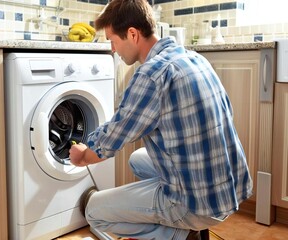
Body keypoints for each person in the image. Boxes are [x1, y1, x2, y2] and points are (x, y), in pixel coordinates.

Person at [69, 0, 253, 239]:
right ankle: (186, 225)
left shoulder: (152, 74)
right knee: (137, 159)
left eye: (113, 41)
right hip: (229, 188)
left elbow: (113, 137)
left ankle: (181, 233)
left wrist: (83, 155)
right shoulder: (194, 59)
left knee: (94, 211)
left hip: (197, 203)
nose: (113, 50)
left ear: (132, 34)